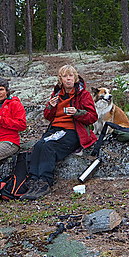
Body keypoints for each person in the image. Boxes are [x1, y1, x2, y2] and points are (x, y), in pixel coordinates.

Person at [24, 64, 98, 200]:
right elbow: (47, 116)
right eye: (65, 76)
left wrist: (77, 112)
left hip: (73, 131)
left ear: (75, 78)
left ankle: (45, 182)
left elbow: (92, 117)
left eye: (71, 76)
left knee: (48, 147)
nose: (68, 79)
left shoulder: (84, 94)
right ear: (61, 79)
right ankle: (33, 180)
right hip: (55, 129)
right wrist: (51, 107)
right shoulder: (57, 94)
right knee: (39, 146)